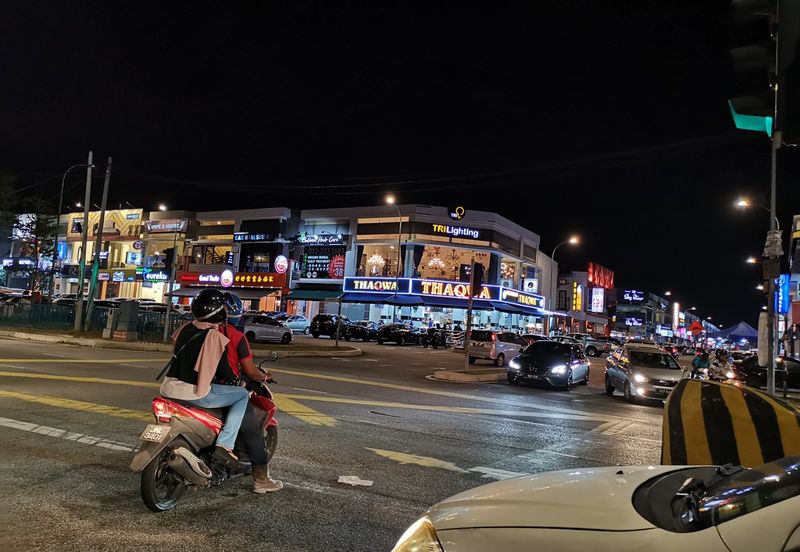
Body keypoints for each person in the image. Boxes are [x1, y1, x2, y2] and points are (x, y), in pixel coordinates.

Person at [159, 289, 250, 465]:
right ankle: (225, 445)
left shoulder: (184, 329)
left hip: (168, 387)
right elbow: (227, 375)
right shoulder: (215, 337)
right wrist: (239, 383)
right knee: (241, 396)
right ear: (219, 312)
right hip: (194, 393)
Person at [221, 292, 283, 493]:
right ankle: (261, 479)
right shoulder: (236, 337)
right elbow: (249, 371)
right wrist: (264, 377)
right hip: (222, 389)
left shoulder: (194, 330)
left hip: (183, 389)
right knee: (252, 432)